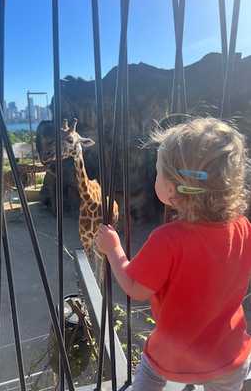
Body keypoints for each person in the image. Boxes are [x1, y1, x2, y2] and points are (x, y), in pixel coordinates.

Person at [95, 118, 251, 390]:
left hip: (173, 357)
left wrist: (113, 249)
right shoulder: (243, 227)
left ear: (171, 189)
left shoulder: (167, 240)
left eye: (157, 172)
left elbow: (135, 288)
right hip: (230, 355)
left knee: (149, 373)